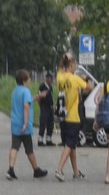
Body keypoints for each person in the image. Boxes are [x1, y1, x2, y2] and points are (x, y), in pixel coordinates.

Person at [52, 54, 91, 182]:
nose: (76, 67)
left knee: (72, 145)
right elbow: (89, 88)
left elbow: (59, 67)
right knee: (69, 144)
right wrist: (86, 79)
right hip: (73, 117)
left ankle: (76, 172)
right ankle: (59, 169)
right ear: (71, 65)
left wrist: (64, 58)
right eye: (75, 65)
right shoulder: (76, 79)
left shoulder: (59, 77)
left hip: (63, 117)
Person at [6, 70, 48, 180]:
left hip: (15, 123)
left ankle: (11, 169)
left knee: (15, 147)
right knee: (29, 149)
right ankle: (36, 170)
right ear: (25, 80)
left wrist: (38, 96)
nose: (30, 80)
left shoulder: (15, 91)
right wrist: (25, 123)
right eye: (29, 78)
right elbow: (26, 106)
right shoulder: (26, 91)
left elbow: (27, 101)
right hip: (24, 125)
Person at [36, 71, 55, 146]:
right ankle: (40, 140)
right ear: (47, 78)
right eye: (49, 78)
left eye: (51, 78)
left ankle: (48, 139)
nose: (51, 80)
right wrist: (40, 106)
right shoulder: (42, 86)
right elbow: (39, 96)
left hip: (50, 107)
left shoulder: (50, 87)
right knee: (43, 123)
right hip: (44, 106)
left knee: (50, 123)